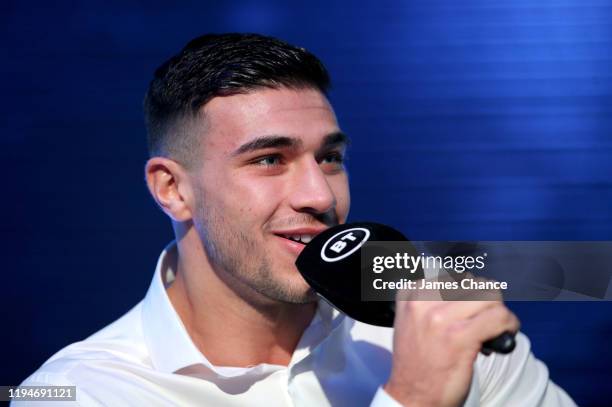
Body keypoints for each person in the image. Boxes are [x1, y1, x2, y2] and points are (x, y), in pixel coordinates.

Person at [17, 33, 575, 406]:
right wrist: (413, 398)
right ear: (173, 189)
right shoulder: (84, 391)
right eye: (268, 159)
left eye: (329, 157)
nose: (318, 195)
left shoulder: (438, 330)